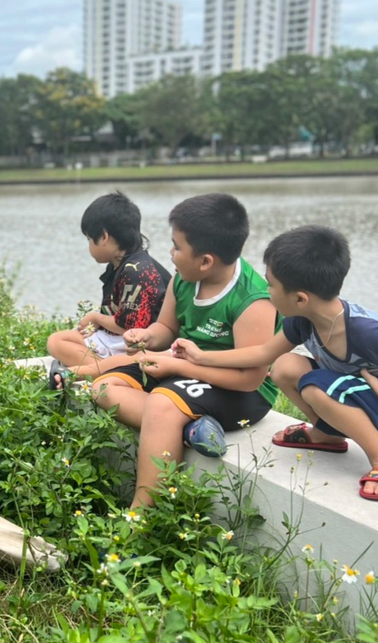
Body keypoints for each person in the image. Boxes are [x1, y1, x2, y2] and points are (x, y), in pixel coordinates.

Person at [172, 225, 378, 501]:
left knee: (314, 386)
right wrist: (201, 355)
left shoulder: (365, 331)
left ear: (299, 298)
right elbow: (263, 354)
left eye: (271, 285)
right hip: (361, 393)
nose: (267, 292)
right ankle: (326, 436)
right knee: (285, 366)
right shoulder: (303, 320)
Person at [91, 193, 278, 509]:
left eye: (177, 247)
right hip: (185, 369)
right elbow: (167, 330)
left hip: (240, 391)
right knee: (104, 387)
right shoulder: (184, 279)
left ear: (205, 261)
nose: (171, 253)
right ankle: (191, 427)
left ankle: (142, 513)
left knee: (162, 405)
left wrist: (177, 368)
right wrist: (147, 336)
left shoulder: (252, 300)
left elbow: (250, 379)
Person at [46, 191, 171, 388]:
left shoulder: (138, 272)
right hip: (119, 341)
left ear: (104, 237)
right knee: (56, 341)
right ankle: (106, 368)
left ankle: (102, 371)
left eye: (89, 239)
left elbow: (129, 327)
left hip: (140, 344)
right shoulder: (120, 265)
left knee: (59, 344)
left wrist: (97, 318)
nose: (88, 245)